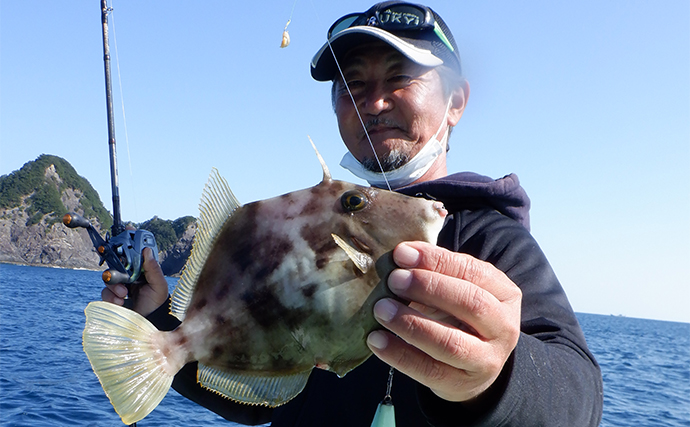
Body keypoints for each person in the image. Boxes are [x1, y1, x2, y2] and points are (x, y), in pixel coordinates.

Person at [102, 2, 603, 425]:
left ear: (455, 101)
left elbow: (580, 398)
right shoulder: (323, 220)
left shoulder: (490, 239)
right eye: (353, 84)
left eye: (399, 77)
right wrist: (163, 324)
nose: (375, 101)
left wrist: (496, 376)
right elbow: (270, 394)